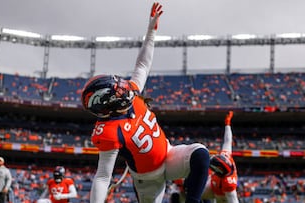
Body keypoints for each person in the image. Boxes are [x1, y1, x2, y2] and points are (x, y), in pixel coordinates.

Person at [80, 2, 210, 203]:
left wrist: (151, 30)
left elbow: (142, 65)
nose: (123, 88)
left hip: (169, 155)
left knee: (200, 154)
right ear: (108, 104)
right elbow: (103, 176)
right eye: (117, 90)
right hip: (147, 179)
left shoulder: (131, 94)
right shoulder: (108, 131)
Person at [171, 111, 239, 203]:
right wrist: (227, 124)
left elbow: (233, 201)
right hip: (212, 185)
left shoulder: (229, 184)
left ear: (219, 171)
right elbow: (227, 141)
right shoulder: (226, 155)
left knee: (194, 192)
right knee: (190, 190)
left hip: (221, 195)